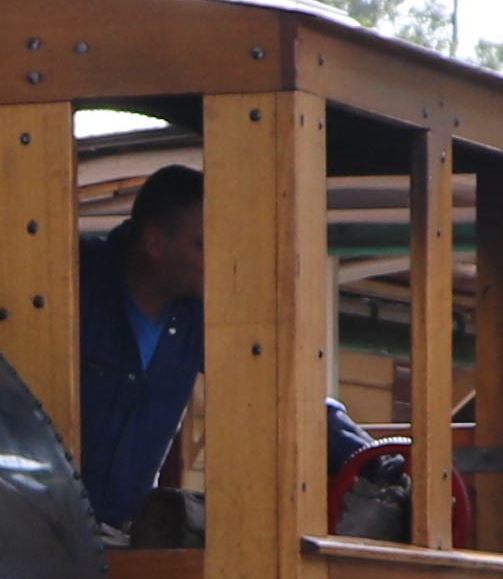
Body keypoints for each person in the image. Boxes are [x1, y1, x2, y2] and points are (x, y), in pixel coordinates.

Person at [72, 164, 370, 541]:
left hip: (118, 540)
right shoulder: (73, 279)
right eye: (203, 243)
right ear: (154, 243)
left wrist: (368, 455)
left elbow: (274, 384)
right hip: (32, 533)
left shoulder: (199, 314)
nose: (219, 258)